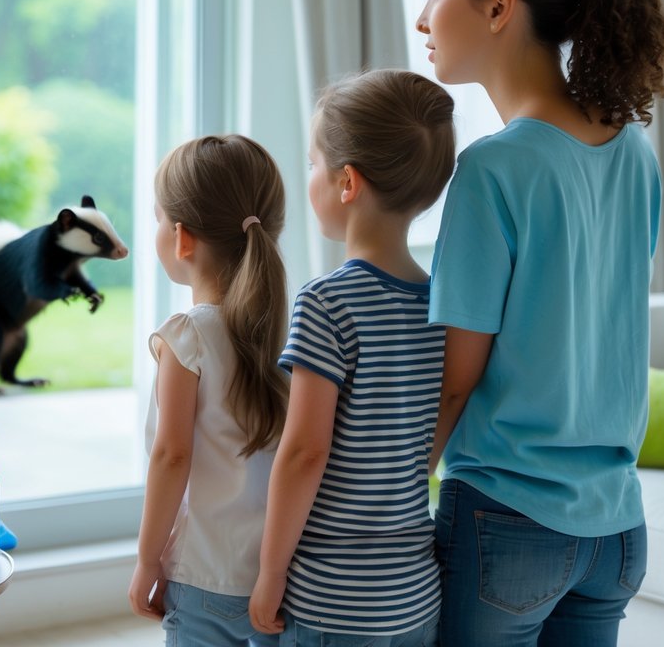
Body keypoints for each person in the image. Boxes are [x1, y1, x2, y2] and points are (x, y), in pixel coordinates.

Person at [415, 0, 664, 646]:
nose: (422, 16)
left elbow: (455, 378)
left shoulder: (491, 170)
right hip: (617, 530)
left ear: (498, 5)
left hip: (507, 520)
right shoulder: (632, 149)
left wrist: (394, 492)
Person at [249, 69, 456, 646]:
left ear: (346, 182)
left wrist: (269, 573)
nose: (307, 176)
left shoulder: (326, 300)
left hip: (331, 599)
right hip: (415, 596)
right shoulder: (444, 304)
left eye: (313, 163)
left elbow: (304, 452)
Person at [129, 134, 291, 646]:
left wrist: (146, 560)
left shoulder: (187, 336)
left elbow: (171, 457)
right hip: (280, 576)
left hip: (202, 575)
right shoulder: (289, 333)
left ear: (182, 239)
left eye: (158, 218)